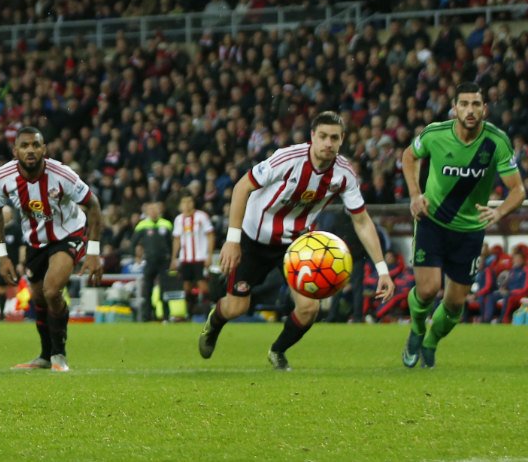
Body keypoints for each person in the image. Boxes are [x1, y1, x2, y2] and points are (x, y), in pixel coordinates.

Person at [200, 111, 396, 370]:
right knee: (236, 307)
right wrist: (232, 240)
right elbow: (241, 187)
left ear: (342, 140)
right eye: (323, 136)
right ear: (312, 136)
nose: (328, 143)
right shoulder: (287, 158)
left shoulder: (344, 174)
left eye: (334, 138)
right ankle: (214, 323)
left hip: (296, 244)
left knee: (309, 308)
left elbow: (362, 221)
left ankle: (277, 351)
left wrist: (382, 269)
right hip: (253, 240)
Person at [402, 82, 525, 367]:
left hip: (470, 231)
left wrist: (499, 212)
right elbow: (409, 156)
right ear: (454, 108)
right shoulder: (435, 134)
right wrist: (415, 195)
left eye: (476, 104)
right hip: (432, 221)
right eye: (465, 104)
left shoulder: (496, 142)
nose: (470, 110)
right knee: (427, 290)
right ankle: (417, 330)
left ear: (485, 108)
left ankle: (431, 342)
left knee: (455, 303)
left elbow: (518, 190)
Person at [0, 127, 103, 372]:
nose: (30, 150)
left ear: (44, 149)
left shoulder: (62, 174)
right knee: (38, 297)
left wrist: (93, 251)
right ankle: (45, 355)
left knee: (51, 291)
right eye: (25, 145)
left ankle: (59, 355)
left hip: (68, 234)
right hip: (34, 241)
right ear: (15, 151)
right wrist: (2, 255)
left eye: (36, 145)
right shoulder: (4, 177)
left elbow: (93, 204)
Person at [170, 194, 215, 318]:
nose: (187, 204)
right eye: (184, 202)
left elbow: (210, 236)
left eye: (189, 201)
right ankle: (190, 314)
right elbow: (176, 239)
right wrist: (174, 258)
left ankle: (208, 314)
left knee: (202, 285)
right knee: (186, 286)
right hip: (185, 259)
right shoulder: (178, 219)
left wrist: (209, 255)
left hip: (200, 258)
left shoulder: (201, 216)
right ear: (180, 205)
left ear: (193, 203)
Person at [130, 202, 174, 321]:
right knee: (147, 290)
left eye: (155, 209)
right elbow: (133, 242)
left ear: (159, 211)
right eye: (151, 209)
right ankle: (146, 317)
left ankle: (166, 316)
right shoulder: (142, 225)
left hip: (164, 261)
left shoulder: (166, 224)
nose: (153, 212)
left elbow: (172, 243)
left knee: (164, 289)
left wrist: (173, 258)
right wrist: (135, 256)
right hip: (149, 260)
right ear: (147, 212)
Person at [0, 206, 25, 321]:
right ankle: (2, 315)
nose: (3, 215)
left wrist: (21, 263)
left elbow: (22, 247)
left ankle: (25, 315)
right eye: (2, 213)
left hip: (14, 264)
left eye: (6, 213)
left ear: (10, 214)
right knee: (0, 289)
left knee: (17, 288)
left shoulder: (16, 229)